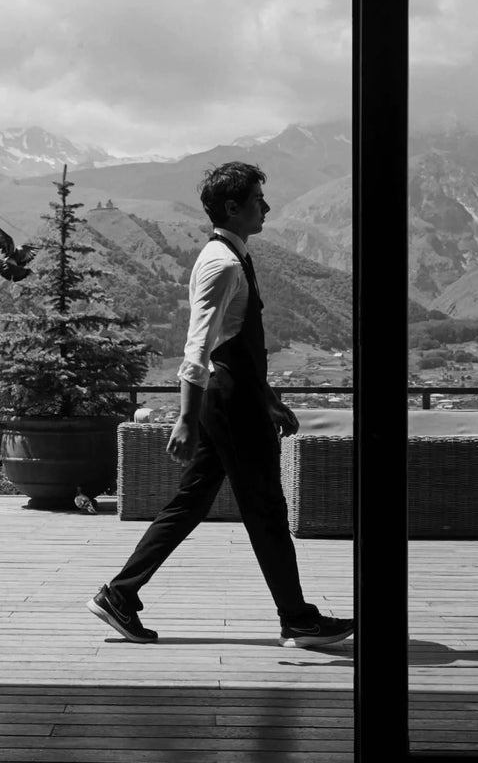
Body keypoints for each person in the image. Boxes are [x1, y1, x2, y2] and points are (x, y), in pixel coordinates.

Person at [87, 162, 354, 648]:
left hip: (236, 398)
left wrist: (268, 398)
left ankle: (120, 595)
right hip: (228, 405)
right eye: (258, 199)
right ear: (233, 207)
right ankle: (296, 618)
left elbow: (235, 341)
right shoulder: (223, 263)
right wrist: (185, 418)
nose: (267, 207)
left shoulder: (233, 255)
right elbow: (198, 347)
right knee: (267, 509)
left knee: (191, 503)